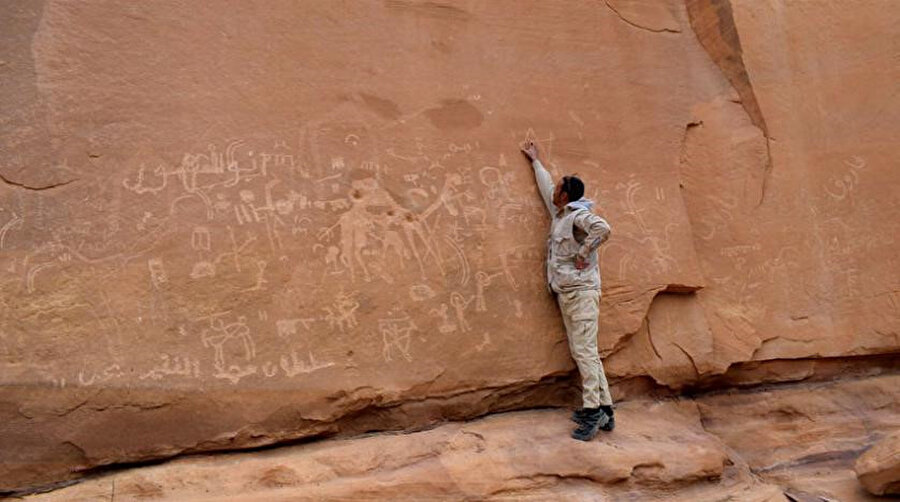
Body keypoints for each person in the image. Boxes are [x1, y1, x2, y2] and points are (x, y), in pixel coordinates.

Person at [520, 141, 614, 441]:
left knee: (584, 352)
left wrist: (584, 252)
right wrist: (536, 162)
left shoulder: (577, 217)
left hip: (581, 291)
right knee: (586, 351)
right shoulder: (560, 213)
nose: (553, 191)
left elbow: (603, 229)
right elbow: (546, 185)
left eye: (557, 189)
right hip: (569, 291)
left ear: (565, 196)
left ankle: (591, 412)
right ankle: (606, 408)